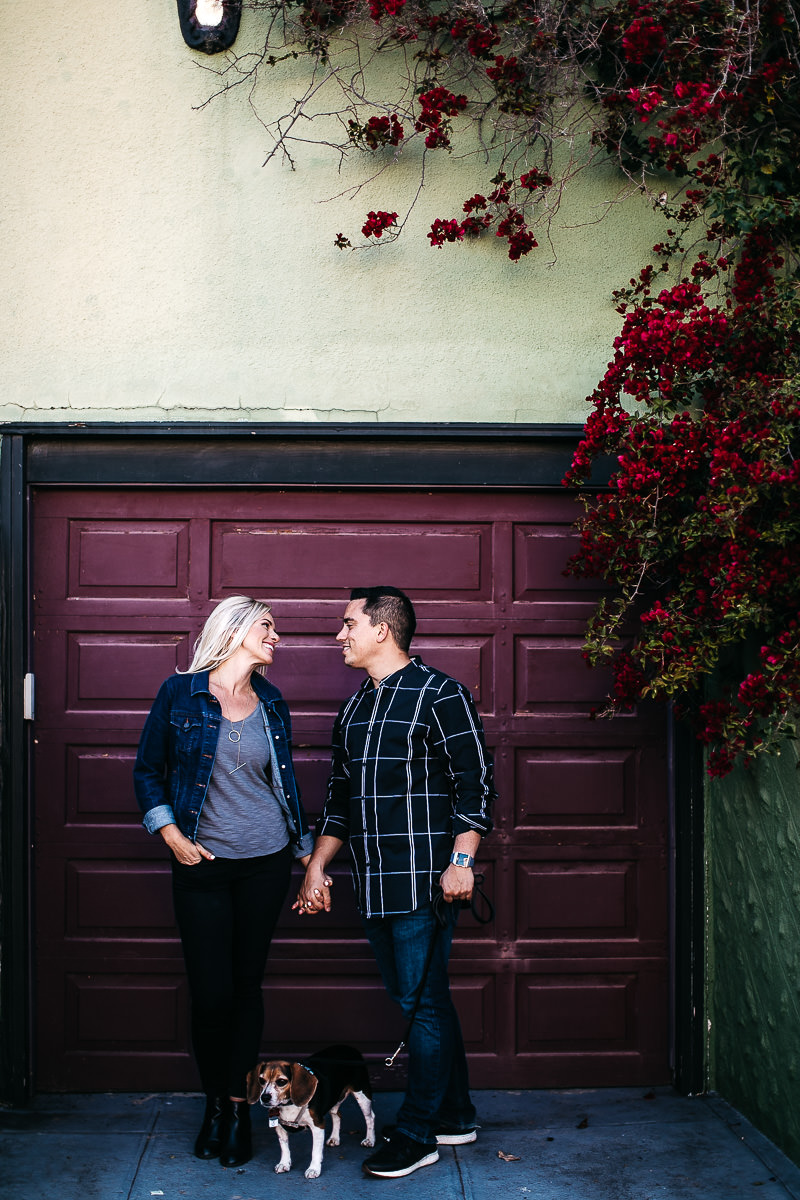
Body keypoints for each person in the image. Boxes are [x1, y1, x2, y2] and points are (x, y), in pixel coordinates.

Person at [296, 586, 496, 1179]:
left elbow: (474, 787)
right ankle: (455, 1114)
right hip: (373, 883)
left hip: (424, 885)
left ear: (381, 629)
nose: (340, 634)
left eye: (348, 624)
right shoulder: (354, 708)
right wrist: (316, 865)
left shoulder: (441, 695)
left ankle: (416, 1133)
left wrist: (462, 861)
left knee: (422, 1007)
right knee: (423, 1002)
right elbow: (340, 802)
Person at [133, 595, 315, 1168]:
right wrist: (171, 836)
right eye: (267, 626)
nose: (276, 637)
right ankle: (214, 1104)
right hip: (201, 866)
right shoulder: (179, 694)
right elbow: (147, 772)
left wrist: (308, 860)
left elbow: (284, 786)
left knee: (245, 987)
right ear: (234, 631)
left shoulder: (272, 702)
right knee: (211, 995)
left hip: (265, 862)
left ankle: (237, 1109)